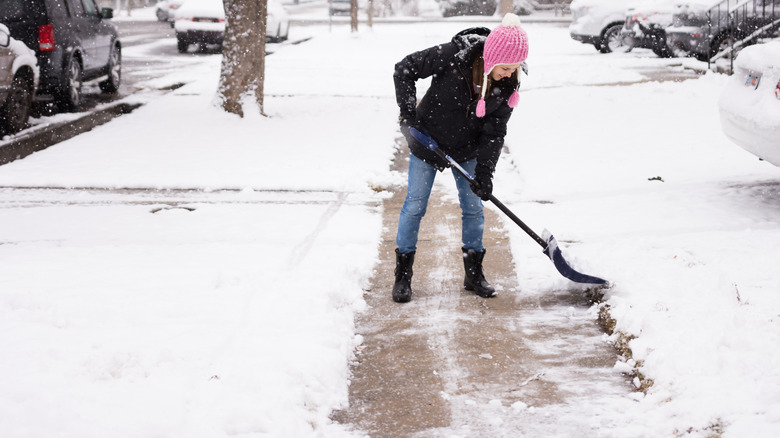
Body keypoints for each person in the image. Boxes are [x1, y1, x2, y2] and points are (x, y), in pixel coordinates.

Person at [391, 13, 529, 303]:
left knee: (473, 207)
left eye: (515, 69)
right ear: (491, 59)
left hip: (467, 149)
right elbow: (405, 69)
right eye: (505, 68)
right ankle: (403, 275)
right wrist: (408, 113)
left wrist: (485, 174)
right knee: (415, 206)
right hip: (427, 141)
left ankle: (474, 273)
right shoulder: (453, 56)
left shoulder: (507, 86)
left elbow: (494, 133)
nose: (509, 74)